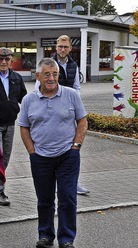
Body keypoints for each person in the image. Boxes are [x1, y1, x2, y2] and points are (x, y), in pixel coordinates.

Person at [19, 58, 87, 248]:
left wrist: (76, 146)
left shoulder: (71, 95)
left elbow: (82, 121)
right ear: (38, 76)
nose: (51, 78)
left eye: (55, 74)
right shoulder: (28, 100)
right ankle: (46, 235)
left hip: (68, 155)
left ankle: (66, 239)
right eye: (47, 74)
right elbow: (24, 127)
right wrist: (32, 152)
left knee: (67, 197)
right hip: (40, 157)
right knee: (45, 200)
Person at [34, 35, 88, 195]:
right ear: (56, 48)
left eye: (65, 47)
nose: (62, 49)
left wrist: (70, 99)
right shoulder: (47, 64)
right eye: (60, 46)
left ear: (70, 48)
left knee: (72, 146)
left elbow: (77, 87)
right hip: (50, 109)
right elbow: (38, 87)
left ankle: (73, 182)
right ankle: (52, 180)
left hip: (68, 111)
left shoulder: (73, 65)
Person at [0, 47, 27, 206]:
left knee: (5, 158)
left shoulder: (16, 77)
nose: (3, 62)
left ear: (11, 60)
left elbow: (24, 98)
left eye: (7, 59)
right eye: (0, 59)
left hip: (10, 123)